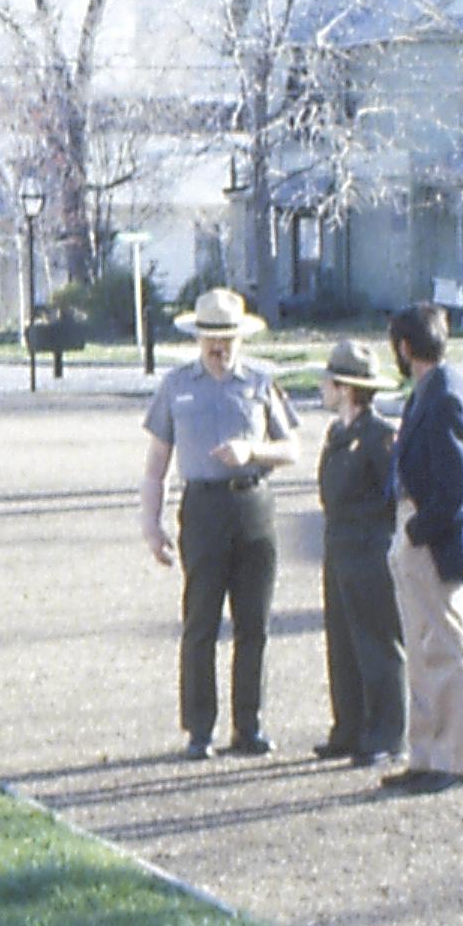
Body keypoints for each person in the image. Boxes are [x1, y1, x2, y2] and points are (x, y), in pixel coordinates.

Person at [140, 287, 301, 758]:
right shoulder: (176, 385)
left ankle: (248, 725)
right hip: (203, 507)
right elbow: (156, 464)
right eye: (211, 338)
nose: (219, 348)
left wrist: (254, 451)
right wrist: (151, 525)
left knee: (254, 623)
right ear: (198, 339)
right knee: (200, 621)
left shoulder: (260, 382)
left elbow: (291, 448)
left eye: (228, 339)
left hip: (252, 505)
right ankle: (199, 728)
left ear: (240, 340)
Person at [383, 300, 463, 792]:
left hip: (434, 540)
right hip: (418, 529)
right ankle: (425, 753)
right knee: (423, 651)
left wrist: (419, 530)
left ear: (405, 347)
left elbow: (454, 487)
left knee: (446, 648)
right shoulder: (428, 393)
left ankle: (455, 757)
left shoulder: (444, 398)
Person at [311, 337, 406, 769]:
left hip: (369, 548)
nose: (323, 387)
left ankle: (386, 732)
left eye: (329, 381)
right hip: (338, 546)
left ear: (347, 387)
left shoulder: (379, 437)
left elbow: (395, 496)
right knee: (342, 641)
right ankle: (348, 726)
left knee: (376, 643)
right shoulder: (338, 433)